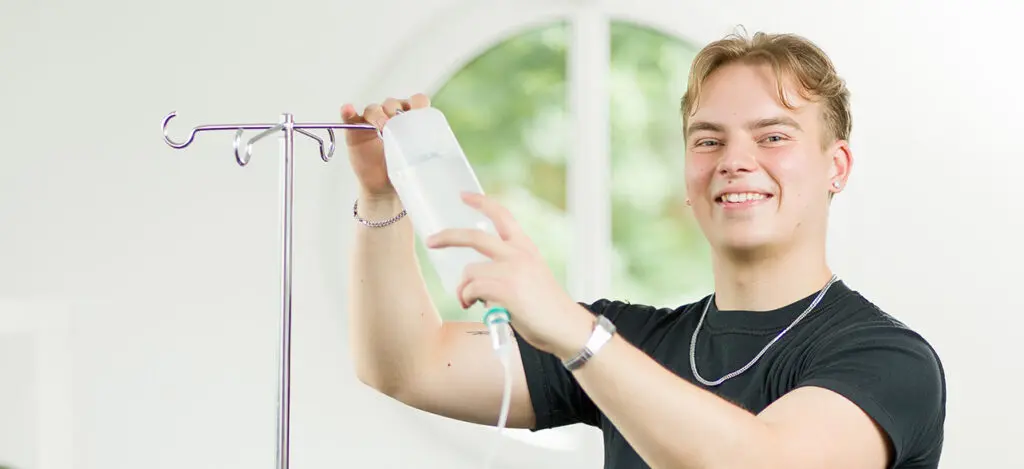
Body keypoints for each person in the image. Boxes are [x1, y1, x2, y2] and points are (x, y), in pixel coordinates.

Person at [343, 30, 946, 469]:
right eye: (708, 140)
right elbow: (407, 365)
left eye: (772, 136)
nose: (734, 160)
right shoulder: (634, 342)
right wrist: (382, 197)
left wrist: (576, 334)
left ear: (836, 166)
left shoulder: (888, 361)